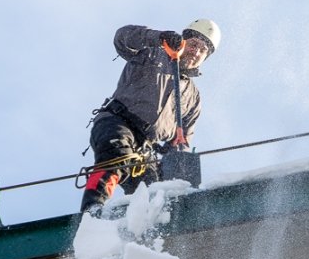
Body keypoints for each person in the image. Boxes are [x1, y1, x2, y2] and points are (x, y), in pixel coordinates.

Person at [80, 19, 221, 214]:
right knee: (117, 157)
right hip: (117, 122)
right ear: (183, 40)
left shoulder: (193, 97)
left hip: (146, 148)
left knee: (155, 191)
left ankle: (147, 232)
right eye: (194, 44)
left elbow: (182, 141)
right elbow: (122, 38)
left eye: (203, 50)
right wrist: (158, 38)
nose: (196, 52)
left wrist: (175, 166)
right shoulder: (153, 54)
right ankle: (92, 210)